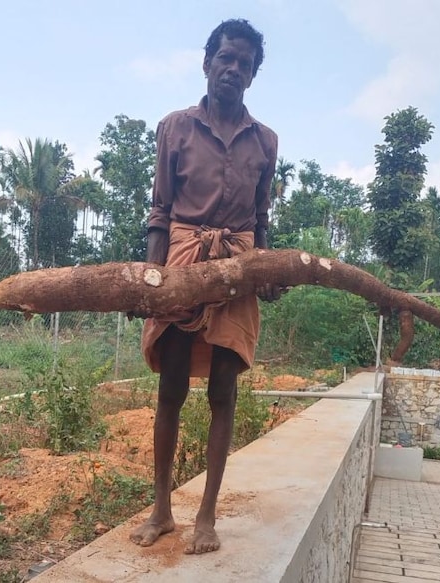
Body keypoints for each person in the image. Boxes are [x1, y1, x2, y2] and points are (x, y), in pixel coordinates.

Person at [128, 18, 282, 555]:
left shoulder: (266, 140)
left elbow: (261, 219)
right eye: (225, 58)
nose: (233, 69)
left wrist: (266, 270)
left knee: (223, 391)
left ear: (252, 75)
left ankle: (208, 517)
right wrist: (151, 282)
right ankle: (162, 511)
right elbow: (161, 210)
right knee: (170, 389)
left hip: (238, 265)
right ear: (207, 63)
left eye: (244, 63)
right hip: (182, 262)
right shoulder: (174, 127)